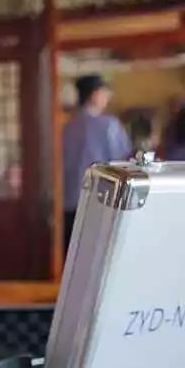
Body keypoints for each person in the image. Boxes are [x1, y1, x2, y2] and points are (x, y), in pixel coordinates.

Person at [61, 74, 132, 252]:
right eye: (104, 93)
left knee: (71, 256)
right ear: (94, 95)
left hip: (68, 202)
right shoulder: (109, 126)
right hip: (99, 202)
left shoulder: (66, 126)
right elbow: (124, 161)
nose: (107, 97)